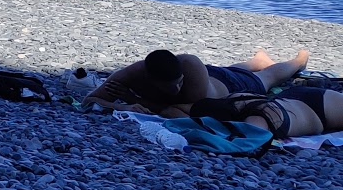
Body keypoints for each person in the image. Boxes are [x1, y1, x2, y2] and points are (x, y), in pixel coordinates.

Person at [83, 48, 309, 117]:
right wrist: (122, 106)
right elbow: (89, 100)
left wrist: (134, 100)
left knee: (267, 78)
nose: (176, 90)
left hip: (228, 88)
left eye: (179, 83)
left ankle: (298, 60)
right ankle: (256, 60)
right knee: (231, 70)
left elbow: (182, 112)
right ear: (150, 79)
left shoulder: (189, 64)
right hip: (213, 76)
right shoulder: (133, 72)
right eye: (170, 87)